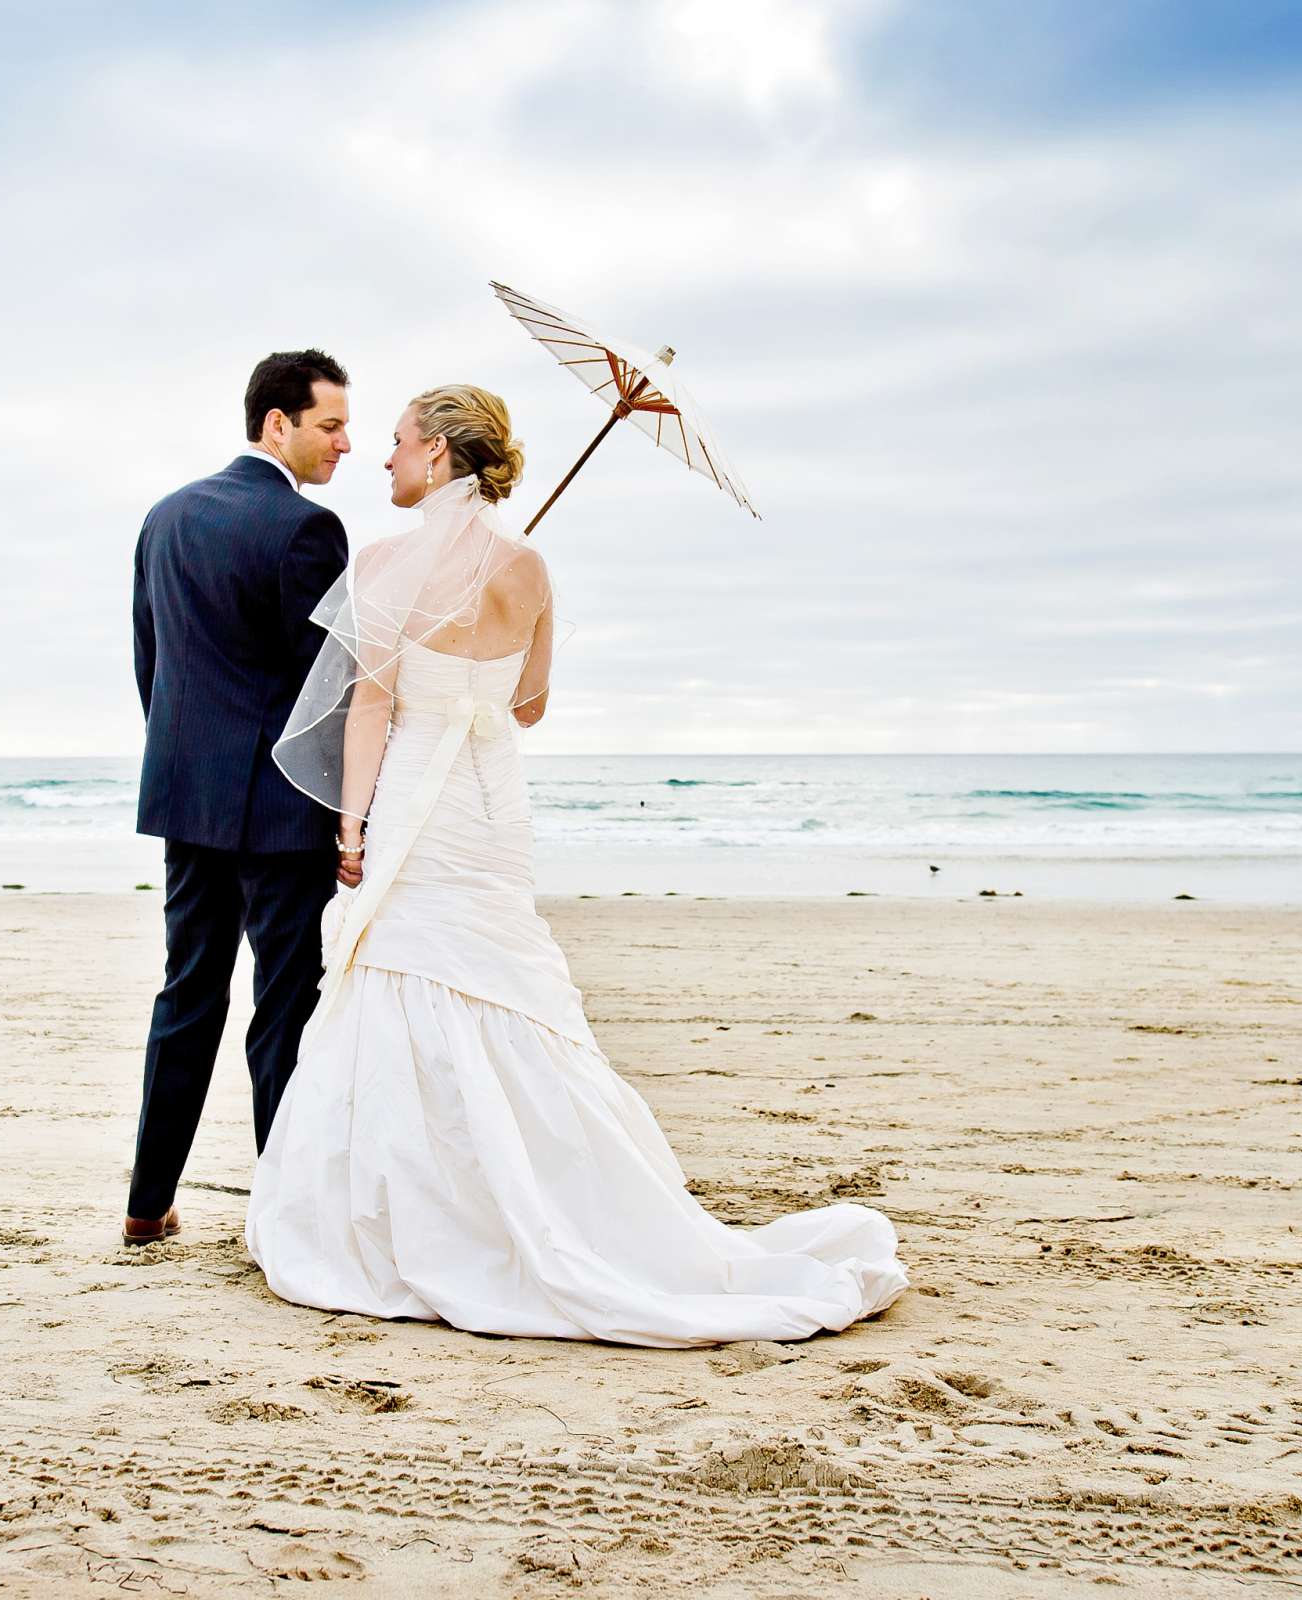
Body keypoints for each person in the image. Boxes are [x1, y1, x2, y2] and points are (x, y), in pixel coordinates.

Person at [245, 384, 909, 1346]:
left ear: (436, 453)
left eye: (394, 442)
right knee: (502, 984)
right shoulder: (530, 565)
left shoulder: (385, 561)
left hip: (420, 809)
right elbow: (529, 708)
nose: (383, 458)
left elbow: (372, 710)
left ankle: (422, 1217)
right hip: (489, 806)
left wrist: (350, 832)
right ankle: (550, 1198)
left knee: (405, 980)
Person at [124, 349, 353, 1246]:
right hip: (282, 812)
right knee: (284, 1005)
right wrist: (345, 807)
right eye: (330, 425)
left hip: (189, 796)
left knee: (187, 993)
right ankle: (285, 1215)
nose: (344, 444)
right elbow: (322, 689)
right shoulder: (308, 528)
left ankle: (148, 1205)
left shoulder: (165, 516)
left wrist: (191, 762)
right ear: (277, 425)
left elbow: (153, 664)